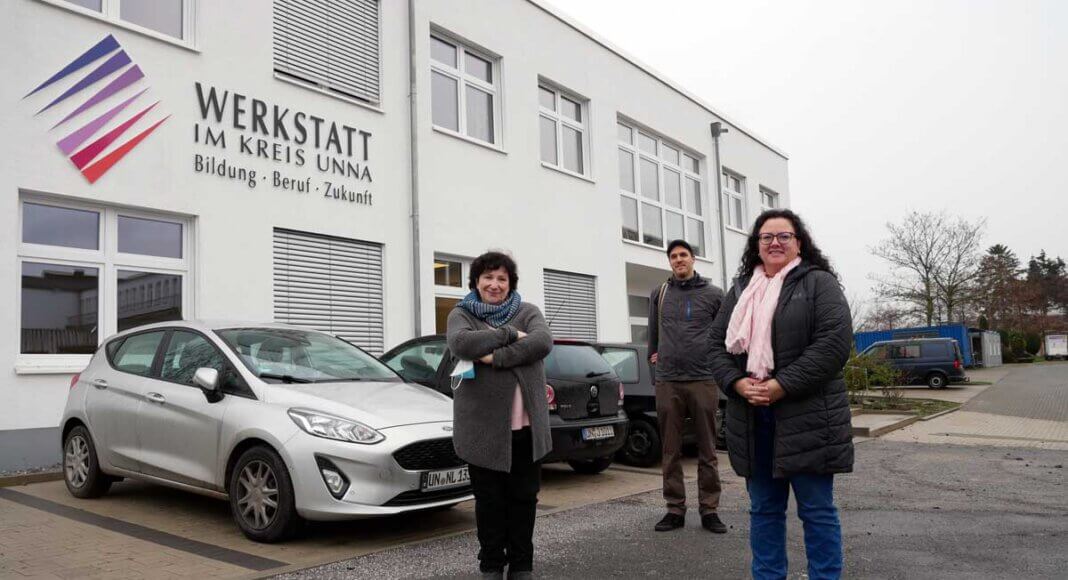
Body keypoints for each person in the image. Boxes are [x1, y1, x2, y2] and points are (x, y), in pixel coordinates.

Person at [708, 209, 854, 579]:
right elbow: (715, 347)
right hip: (753, 417)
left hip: (809, 417)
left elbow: (833, 345)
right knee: (764, 512)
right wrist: (737, 384)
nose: (775, 242)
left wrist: (781, 385)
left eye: (783, 236)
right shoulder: (741, 290)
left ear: (798, 242)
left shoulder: (819, 284)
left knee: (817, 512)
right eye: (766, 237)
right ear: (756, 245)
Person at [446, 251, 553, 580]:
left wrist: (495, 357)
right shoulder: (461, 314)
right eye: (488, 278)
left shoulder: (529, 311)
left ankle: (521, 566)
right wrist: (509, 334)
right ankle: (491, 566)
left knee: (524, 501)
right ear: (476, 281)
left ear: (511, 283)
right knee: (490, 504)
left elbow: (542, 342)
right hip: (482, 432)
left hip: (526, 430)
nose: (494, 284)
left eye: (502, 279)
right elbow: (462, 344)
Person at [647, 239, 728, 534]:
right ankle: (674, 508)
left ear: (694, 259)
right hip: (668, 380)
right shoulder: (660, 294)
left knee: (708, 448)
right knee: (670, 449)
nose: (678, 260)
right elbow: (653, 337)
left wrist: (721, 369)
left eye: (683, 255)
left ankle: (709, 509)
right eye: (673, 256)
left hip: (703, 378)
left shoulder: (714, 295)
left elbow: (724, 335)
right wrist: (655, 368)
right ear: (670, 262)